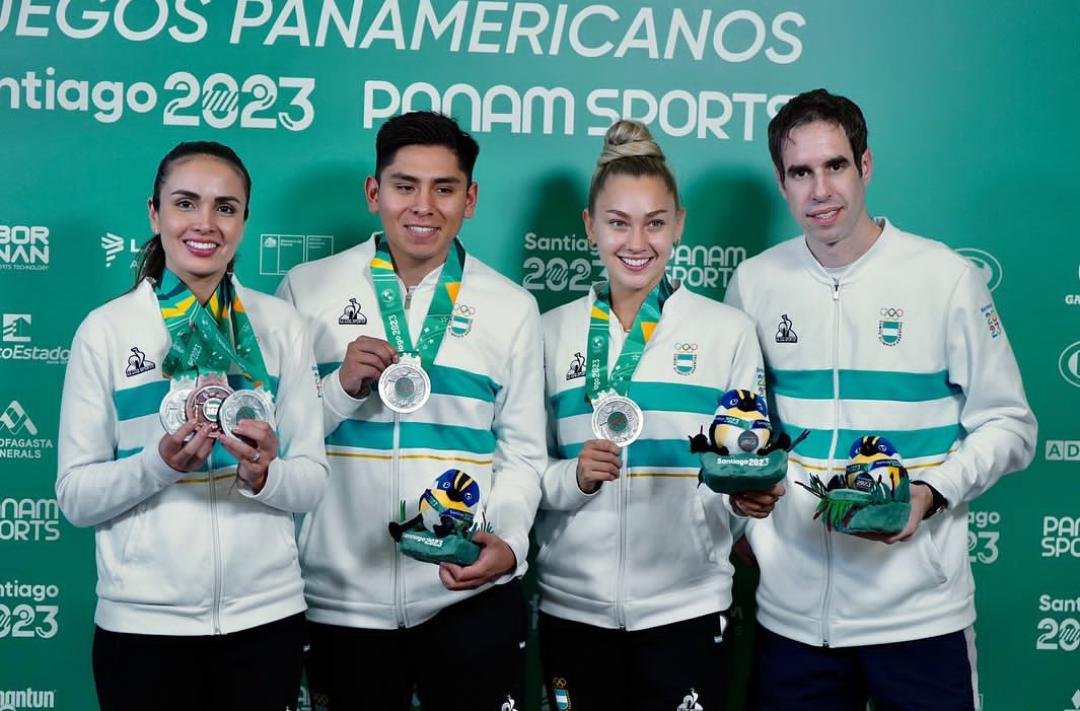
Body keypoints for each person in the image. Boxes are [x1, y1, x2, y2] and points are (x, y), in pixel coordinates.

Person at [724, 89, 1038, 710]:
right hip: (792, 620)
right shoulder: (754, 282)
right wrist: (744, 505)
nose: (820, 190)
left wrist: (932, 491)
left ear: (864, 166)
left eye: (835, 166)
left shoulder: (944, 278)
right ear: (782, 183)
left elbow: (1010, 424)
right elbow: (744, 429)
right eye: (800, 173)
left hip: (919, 618)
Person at [276, 111, 545, 710]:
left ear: (469, 199)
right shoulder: (305, 291)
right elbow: (280, 447)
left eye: (444, 188)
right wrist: (341, 388)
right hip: (339, 599)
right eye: (404, 186)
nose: (423, 206)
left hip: (465, 594)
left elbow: (523, 454)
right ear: (375, 193)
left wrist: (506, 543)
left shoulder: (512, 307)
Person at [56, 141, 329, 711]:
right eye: (186, 203)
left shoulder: (282, 327)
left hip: (266, 619)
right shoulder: (106, 331)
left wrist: (265, 476)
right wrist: (157, 466)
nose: (205, 224)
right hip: (142, 627)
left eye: (226, 208)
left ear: (245, 221)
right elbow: (76, 498)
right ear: (155, 214)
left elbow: (311, 481)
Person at [535, 119, 783, 711]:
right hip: (573, 606)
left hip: (688, 608)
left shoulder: (727, 332)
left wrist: (752, 499)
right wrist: (570, 476)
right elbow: (522, 470)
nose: (636, 242)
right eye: (618, 223)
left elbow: (745, 465)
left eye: (655, 222)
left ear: (679, 224)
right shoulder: (547, 333)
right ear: (589, 226)